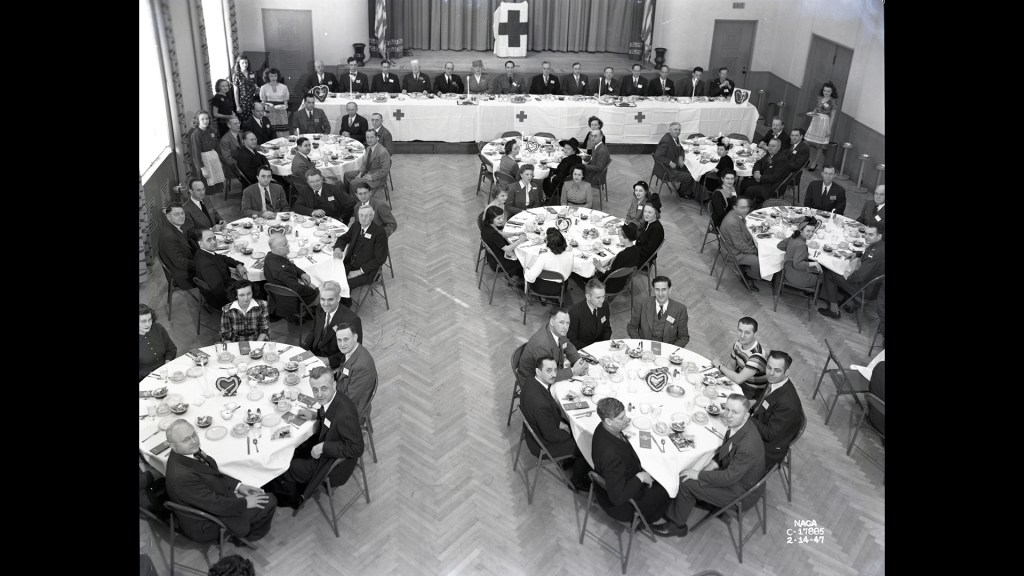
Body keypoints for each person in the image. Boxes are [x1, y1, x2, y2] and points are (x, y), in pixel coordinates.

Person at [658, 394, 765, 537]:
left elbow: (728, 478)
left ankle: (677, 525)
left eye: (735, 412)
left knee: (687, 482)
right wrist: (713, 464)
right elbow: (727, 450)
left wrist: (698, 474)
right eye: (727, 409)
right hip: (735, 477)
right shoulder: (740, 426)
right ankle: (688, 502)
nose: (728, 415)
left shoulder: (748, 446)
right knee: (698, 469)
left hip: (740, 492)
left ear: (746, 416)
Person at [266, 366, 363, 509]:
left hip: (333, 466)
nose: (319, 395)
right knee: (296, 449)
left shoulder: (345, 414)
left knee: (287, 467)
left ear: (334, 385)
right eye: (315, 390)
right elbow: (329, 413)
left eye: (324, 388)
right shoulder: (333, 398)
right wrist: (314, 415)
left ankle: (294, 500)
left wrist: (324, 447)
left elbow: (357, 448)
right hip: (328, 447)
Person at [164, 420, 276, 543]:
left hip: (212, 500)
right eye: (186, 440)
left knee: (258, 492)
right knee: (270, 500)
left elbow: (212, 474)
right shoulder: (182, 477)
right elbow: (215, 505)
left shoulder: (186, 453)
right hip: (208, 523)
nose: (194, 441)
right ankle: (248, 537)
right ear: (172, 446)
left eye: (194, 435)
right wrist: (245, 503)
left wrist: (239, 486)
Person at [590, 398, 680, 532]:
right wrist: (640, 477)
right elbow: (617, 497)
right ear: (608, 421)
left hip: (621, 477)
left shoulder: (602, 427)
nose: (627, 420)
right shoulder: (611, 455)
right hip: (624, 505)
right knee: (668, 486)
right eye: (621, 418)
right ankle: (648, 520)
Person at [520, 356, 593, 492]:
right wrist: (567, 431)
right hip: (543, 444)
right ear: (538, 371)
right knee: (586, 444)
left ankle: (569, 461)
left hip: (538, 428)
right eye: (549, 371)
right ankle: (577, 481)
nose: (554, 374)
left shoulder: (531, 381)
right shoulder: (540, 404)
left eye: (555, 370)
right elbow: (552, 436)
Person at [750, 351, 806, 471]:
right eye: (769, 367)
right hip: (757, 426)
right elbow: (765, 402)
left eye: (777, 370)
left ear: (786, 372)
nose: (770, 373)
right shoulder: (775, 381)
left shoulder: (788, 404)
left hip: (766, 449)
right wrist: (750, 403)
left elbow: (769, 434)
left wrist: (746, 418)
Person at [818, 223, 885, 319]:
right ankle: (849, 302)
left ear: (879, 236)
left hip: (866, 289)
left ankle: (834, 310)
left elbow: (859, 277)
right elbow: (867, 253)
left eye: (870, 235)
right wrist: (857, 254)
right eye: (866, 233)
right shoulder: (881, 245)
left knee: (831, 274)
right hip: (876, 287)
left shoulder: (875, 254)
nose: (866, 237)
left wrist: (847, 275)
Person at [517, 308, 589, 385]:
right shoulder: (542, 345)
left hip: (552, 370)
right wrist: (573, 371)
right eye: (561, 322)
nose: (565, 327)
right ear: (552, 322)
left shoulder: (557, 330)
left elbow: (568, 346)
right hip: (532, 381)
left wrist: (579, 362)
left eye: (567, 323)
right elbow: (548, 376)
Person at [302, 281, 362, 369]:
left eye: (330, 299)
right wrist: (304, 349)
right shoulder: (320, 308)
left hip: (333, 363)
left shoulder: (352, 320)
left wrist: (328, 361)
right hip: (314, 355)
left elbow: (353, 351)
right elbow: (314, 331)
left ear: (338, 298)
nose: (325, 304)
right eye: (322, 299)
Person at [711, 317, 769, 401]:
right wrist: (723, 379)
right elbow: (731, 366)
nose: (742, 336)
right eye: (740, 330)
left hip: (751, 389)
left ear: (754, 334)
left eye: (747, 333)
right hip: (739, 378)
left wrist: (720, 366)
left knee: (724, 401)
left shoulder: (757, 356)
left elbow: (738, 379)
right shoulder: (738, 343)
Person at [264, 234, 319, 321]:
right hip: (293, 301)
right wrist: (314, 291)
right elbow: (298, 289)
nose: (288, 245)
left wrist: (301, 273)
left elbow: (290, 265)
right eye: (285, 244)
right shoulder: (282, 271)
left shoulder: (269, 257)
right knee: (322, 290)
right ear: (276, 249)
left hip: (279, 298)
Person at [334, 204, 389, 289]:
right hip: (350, 264)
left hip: (368, 271)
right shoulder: (356, 225)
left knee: (343, 286)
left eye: (367, 216)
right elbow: (344, 238)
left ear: (372, 216)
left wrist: (359, 272)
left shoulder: (379, 232)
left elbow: (380, 259)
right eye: (361, 215)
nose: (363, 218)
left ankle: (345, 302)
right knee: (334, 278)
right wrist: (338, 248)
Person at [626, 275, 690, 348]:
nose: (660, 294)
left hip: (667, 350)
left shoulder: (680, 309)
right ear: (653, 290)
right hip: (644, 348)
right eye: (657, 289)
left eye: (664, 289)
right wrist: (640, 345)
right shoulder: (641, 303)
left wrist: (670, 351)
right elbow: (631, 327)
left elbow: (683, 337)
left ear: (670, 290)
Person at [192, 227, 247, 309]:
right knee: (258, 287)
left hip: (226, 286)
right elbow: (219, 291)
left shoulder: (203, 252)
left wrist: (237, 264)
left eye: (214, 238)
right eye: (209, 240)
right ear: (200, 243)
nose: (214, 242)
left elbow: (222, 258)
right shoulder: (206, 264)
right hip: (224, 298)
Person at [335, 323, 378, 418]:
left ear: (355, 337)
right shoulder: (352, 350)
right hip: (342, 392)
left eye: (346, 339)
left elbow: (349, 400)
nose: (342, 344)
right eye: (339, 340)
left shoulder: (362, 366)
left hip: (352, 410)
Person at [718, 197, 763, 288]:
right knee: (759, 261)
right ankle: (749, 276)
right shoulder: (732, 223)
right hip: (733, 253)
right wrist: (755, 251)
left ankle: (750, 268)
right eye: (742, 207)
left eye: (747, 207)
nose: (746, 210)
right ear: (735, 207)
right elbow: (739, 245)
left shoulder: (734, 214)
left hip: (736, 246)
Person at [480, 206, 527, 282]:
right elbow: (507, 249)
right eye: (498, 218)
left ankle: (515, 274)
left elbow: (501, 234)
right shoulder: (492, 234)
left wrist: (516, 233)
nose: (502, 220)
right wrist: (519, 241)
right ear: (491, 218)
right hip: (500, 262)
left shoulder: (487, 225)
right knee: (524, 259)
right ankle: (521, 280)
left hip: (492, 257)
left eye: (502, 217)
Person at [594, 223, 642, 294]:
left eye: (620, 235)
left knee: (591, 276)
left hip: (610, 285)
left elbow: (611, 273)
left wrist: (600, 268)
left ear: (627, 238)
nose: (618, 236)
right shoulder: (637, 250)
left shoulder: (622, 255)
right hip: (622, 281)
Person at [776, 216, 822, 289]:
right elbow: (797, 264)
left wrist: (792, 250)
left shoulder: (794, 237)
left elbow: (780, 245)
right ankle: (811, 293)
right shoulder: (802, 245)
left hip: (787, 271)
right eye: (808, 231)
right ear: (801, 230)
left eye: (812, 231)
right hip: (795, 277)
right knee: (823, 276)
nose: (811, 234)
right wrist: (814, 263)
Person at [524, 228, 573, 296]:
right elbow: (568, 272)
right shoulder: (570, 254)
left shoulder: (544, 257)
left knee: (528, 269)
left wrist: (527, 269)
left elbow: (530, 278)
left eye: (545, 241)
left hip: (541, 287)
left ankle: (542, 297)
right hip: (560, 288)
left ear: (549, 244)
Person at [342, 129, 392, 196]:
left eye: (371, 137)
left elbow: (384, 170)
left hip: (377, 177)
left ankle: (357, 203)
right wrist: (360, 173)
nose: (369, 140)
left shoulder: (383, 152)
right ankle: (350, 197)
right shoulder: (368, 148)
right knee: (347, 175)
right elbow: (365, 163)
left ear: (377, 138)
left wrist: (371, 177)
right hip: (367, 172)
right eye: (367, 137)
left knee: (353, 183)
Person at [158, 202, 196, 289]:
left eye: (182, 213)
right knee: (215, 270)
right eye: (176, 214)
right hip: (183, 274)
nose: (181, 216)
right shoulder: (169, 236)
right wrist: (198, 263)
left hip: (186, 263)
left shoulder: (175, 225)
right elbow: (180, 262)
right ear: (168, 217)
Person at [567, 279, 611, 350]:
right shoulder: (575, 312)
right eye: (598, 297)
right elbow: (572, 339)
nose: (602, 300)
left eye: (603, 296)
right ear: (588, 297)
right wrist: (591, 350)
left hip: (601, 347)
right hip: (584, 350)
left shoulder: (605, 305)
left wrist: (603, 345)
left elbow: (607, 328)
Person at [740, 138, 788, 203]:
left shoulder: (781, 160)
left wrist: (760, 177)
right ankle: (741, 203)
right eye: (769, 145)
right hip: (764, 179)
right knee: (745, 182)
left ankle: (748, 207)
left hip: (772, 186)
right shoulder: (770, 153)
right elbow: (758, 163)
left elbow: (775, 177)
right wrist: (757, 172)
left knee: (750, 190)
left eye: (773, 146)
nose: (770, 148)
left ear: (779, 148)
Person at [654, 122, 694, 197]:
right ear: (670, 130)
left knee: (691, 169)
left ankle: (689, 190)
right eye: (675, 129)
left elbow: (681, 149)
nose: (678, 131)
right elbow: (657, 156)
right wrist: (670, 162)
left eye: (679, 129)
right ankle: (682, 193)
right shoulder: (666, 140)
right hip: (666, 170)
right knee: (690, 176)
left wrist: (680, 158)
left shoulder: (675, 137)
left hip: (674, 164)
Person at [805, 81, 839, 171]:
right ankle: (806, 160)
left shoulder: (833, 101)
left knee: (820, 145)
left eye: (828, 91)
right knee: (808, 141)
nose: (826, 93)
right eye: (825, 91)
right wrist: (812, 113)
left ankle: (814, 163)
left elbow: (832, 116)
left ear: (832, 92)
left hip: (824, 122)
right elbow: (816, 108)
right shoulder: (820, 98)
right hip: (816, 120)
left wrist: (829, 128)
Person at [139, 304, 177, 382]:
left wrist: (167, 363)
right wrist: (150, 374)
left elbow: (171, 349)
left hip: (166, 372)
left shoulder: (158, 328)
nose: (148, 324)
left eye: (149, 319)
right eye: (143, 321)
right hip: (146, 380)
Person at [189, 110, 225, 188]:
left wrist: (220, 160)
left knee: (215, 186)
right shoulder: (196, 135)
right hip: (205, 163)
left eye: (207, 118)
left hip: (214, 160)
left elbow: (216, 147)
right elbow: (196, 154)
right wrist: (203, 169)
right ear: (198, 120)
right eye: (202, 119)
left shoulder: (211, 131)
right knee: (206, 187)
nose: (205, 121)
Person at [259, 67, 290, 132]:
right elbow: (263, 101)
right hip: (269, 111)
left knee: (282, 131)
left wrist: (285, 107)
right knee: (270, 130)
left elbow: (286, 101)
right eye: (271, 76)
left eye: (275, 76)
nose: (273, 78)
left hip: (281, 111)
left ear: (278, 76)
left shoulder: (284, 87)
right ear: (267, 77)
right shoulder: (263, 87)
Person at [231, 55, 259, 123]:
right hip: (243, 102)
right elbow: (236, 91)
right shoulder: (236, 75)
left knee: (255, 119)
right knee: (245, 121)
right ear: (239, 64)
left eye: (246, 62)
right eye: (242, 63)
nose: (245, 64)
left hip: (253, 99)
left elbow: (254, 84)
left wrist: (257, 87)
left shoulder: (252, 73)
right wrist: (237, 106)